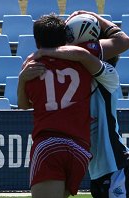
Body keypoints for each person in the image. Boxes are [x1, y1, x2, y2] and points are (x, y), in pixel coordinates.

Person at [26, 11, 129, 197]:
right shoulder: (76, 71)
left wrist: (92, 16)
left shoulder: (107, 74)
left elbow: (121, 41)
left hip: (118, 167)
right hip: (98, 173)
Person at [17, 14, 108, 198]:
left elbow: (23, 105)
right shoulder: (83, 59)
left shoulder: (32, 67)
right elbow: (122, 41)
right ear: (66, 37)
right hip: (80, 149)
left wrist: (21, 80)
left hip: (49, 145)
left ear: (37, 42)